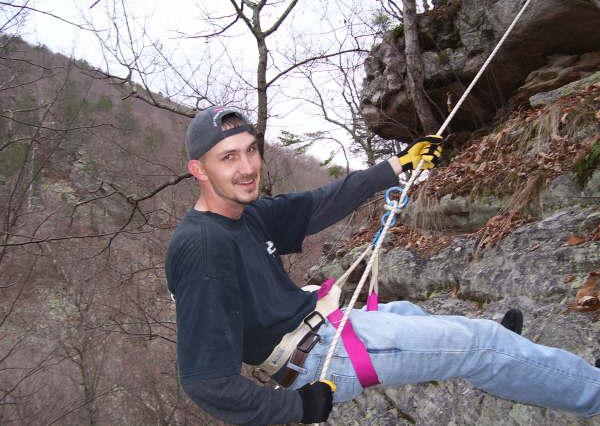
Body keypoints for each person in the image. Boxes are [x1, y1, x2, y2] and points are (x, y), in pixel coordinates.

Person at [165, 106, 600, 425]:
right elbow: (204, 381)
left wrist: (398, 165)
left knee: (411, 314)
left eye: (251, 151)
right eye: (228, 157)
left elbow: (321, 202)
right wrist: (295, 408)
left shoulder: (246, 214)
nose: (247, 168)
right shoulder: (204, 248)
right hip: (319, 358)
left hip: (323, 325)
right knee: (480, 344)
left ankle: (506, 354)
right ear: (197, 169)